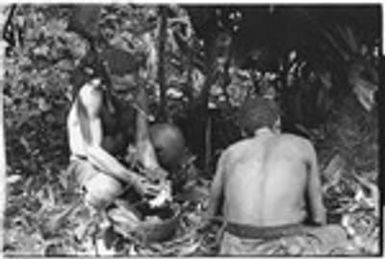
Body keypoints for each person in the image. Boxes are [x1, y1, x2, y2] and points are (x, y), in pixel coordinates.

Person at [207, 96, 349, 255]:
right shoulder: (303, 146)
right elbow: (318, 216)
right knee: (338, 233)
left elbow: (211, 214)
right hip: (284, 247)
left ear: (243, 130)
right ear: (277, 122)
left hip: (236, 248)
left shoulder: (229, 154)